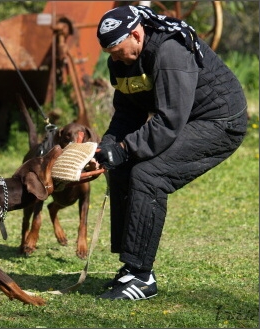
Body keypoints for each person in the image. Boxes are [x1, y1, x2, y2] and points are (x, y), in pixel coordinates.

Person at [92, 5, 247, 300]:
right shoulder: (122, 62)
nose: (114, 58)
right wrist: (110, 146)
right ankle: (130, 266)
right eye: (109, 53)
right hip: (184, 119)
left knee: (150, 174)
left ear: (136, 34)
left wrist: (126, 148)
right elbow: (127, 112)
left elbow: (169, 121)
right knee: (122, 167)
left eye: (117, 49)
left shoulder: (170, 51)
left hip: (220, 121)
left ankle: (142, 277)